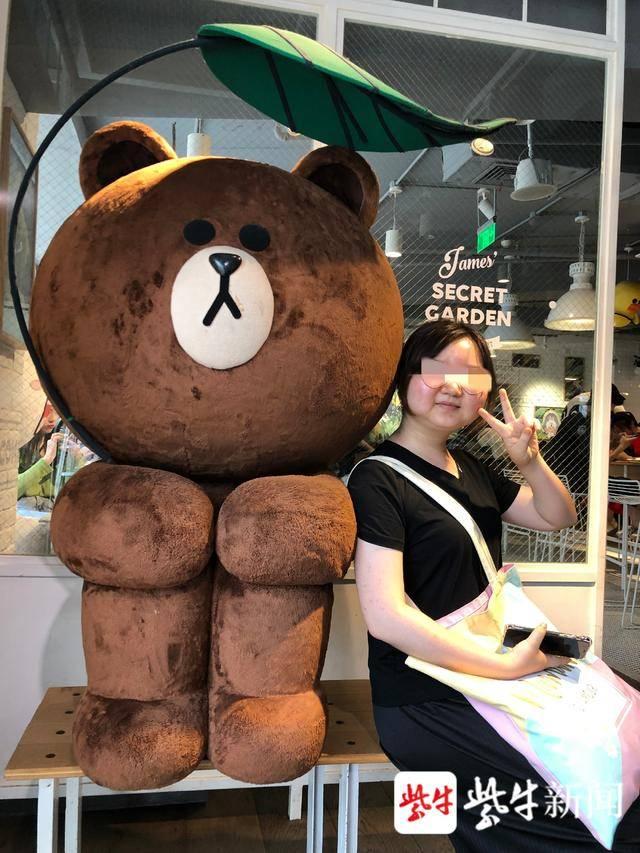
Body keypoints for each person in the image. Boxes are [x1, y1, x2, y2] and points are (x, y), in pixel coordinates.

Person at [347, 319, 640, 851]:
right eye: (435, 370)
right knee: (588, 813)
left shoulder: (471, 466)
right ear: (405, 378)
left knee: (621, 745)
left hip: (492, 675)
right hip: (427, 695)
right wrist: (504, 668)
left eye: (470, 376)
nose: (452, 386)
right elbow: (386, 616)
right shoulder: (377, 478)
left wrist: (530, 461)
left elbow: (557, 516)